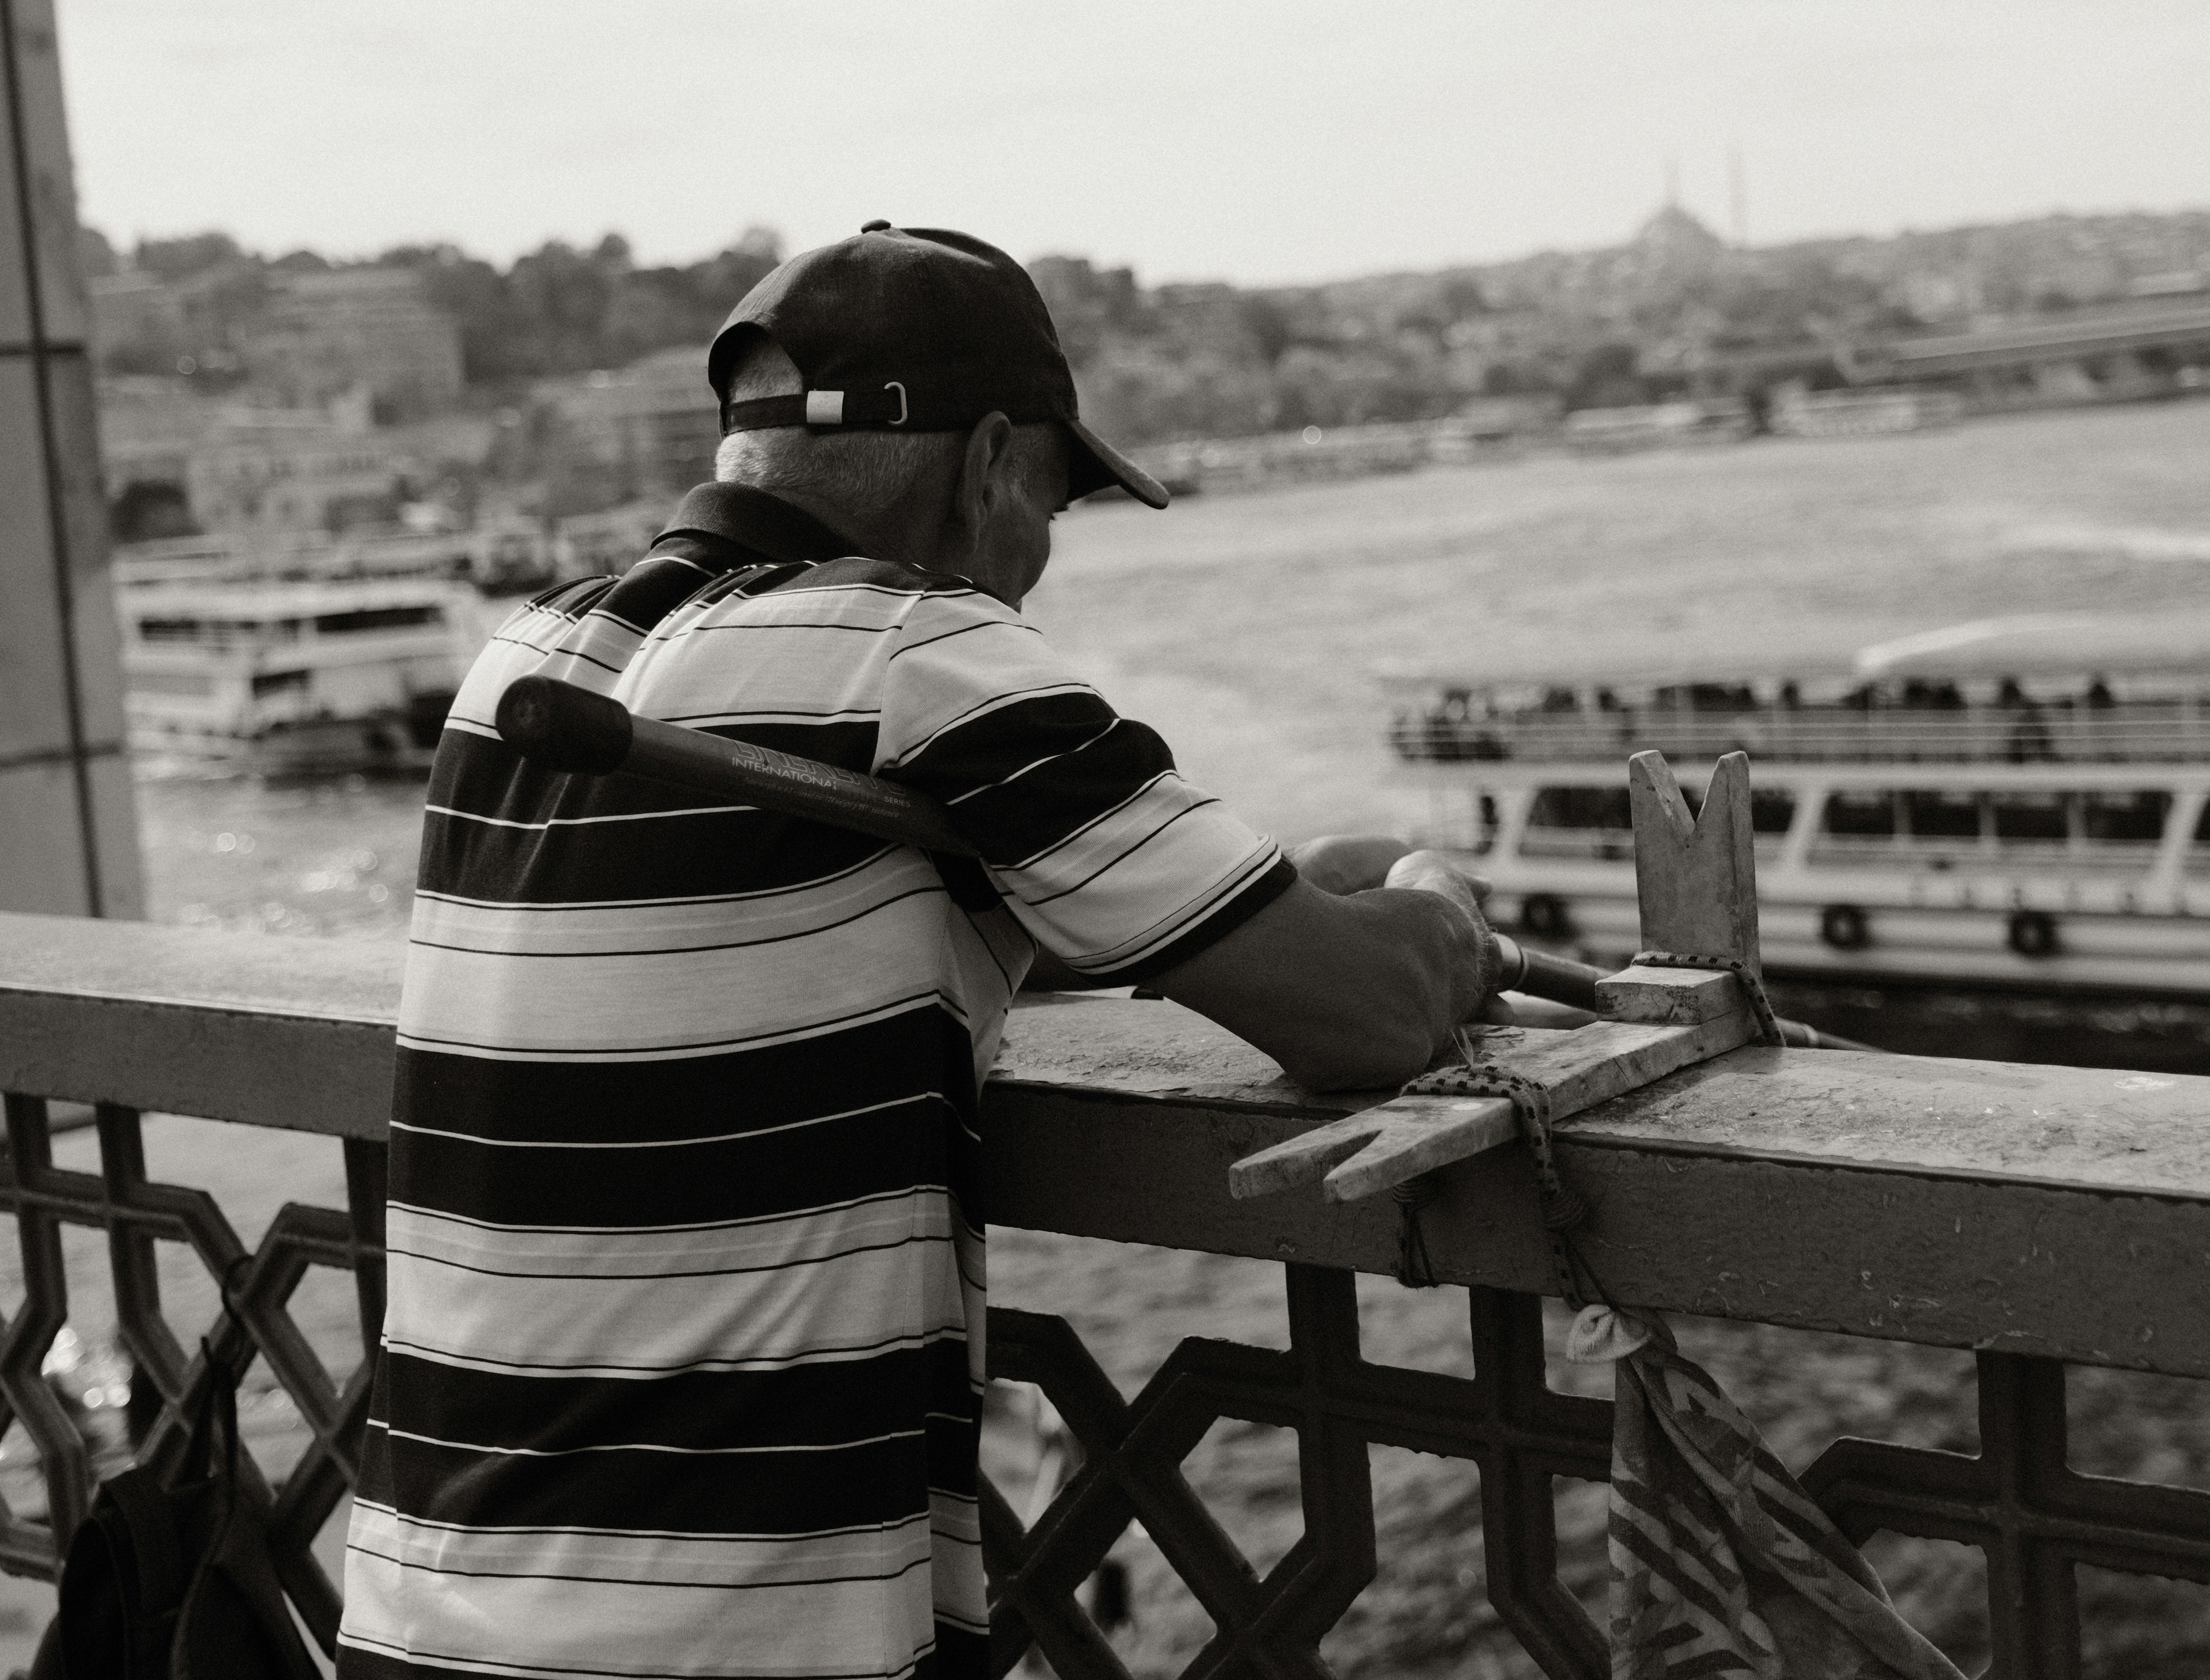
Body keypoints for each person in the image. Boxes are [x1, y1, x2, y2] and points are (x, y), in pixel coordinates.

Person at [337, 224, 1524, 1680]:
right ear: (990, 465)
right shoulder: (924, 657)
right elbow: (1373, 1021)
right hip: (725, 1635)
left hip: (428, 1608)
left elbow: (757, 939)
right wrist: (1434, 911)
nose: (1037, 561)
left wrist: (1258, 898)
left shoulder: (520, 662)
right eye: (1055, 503)